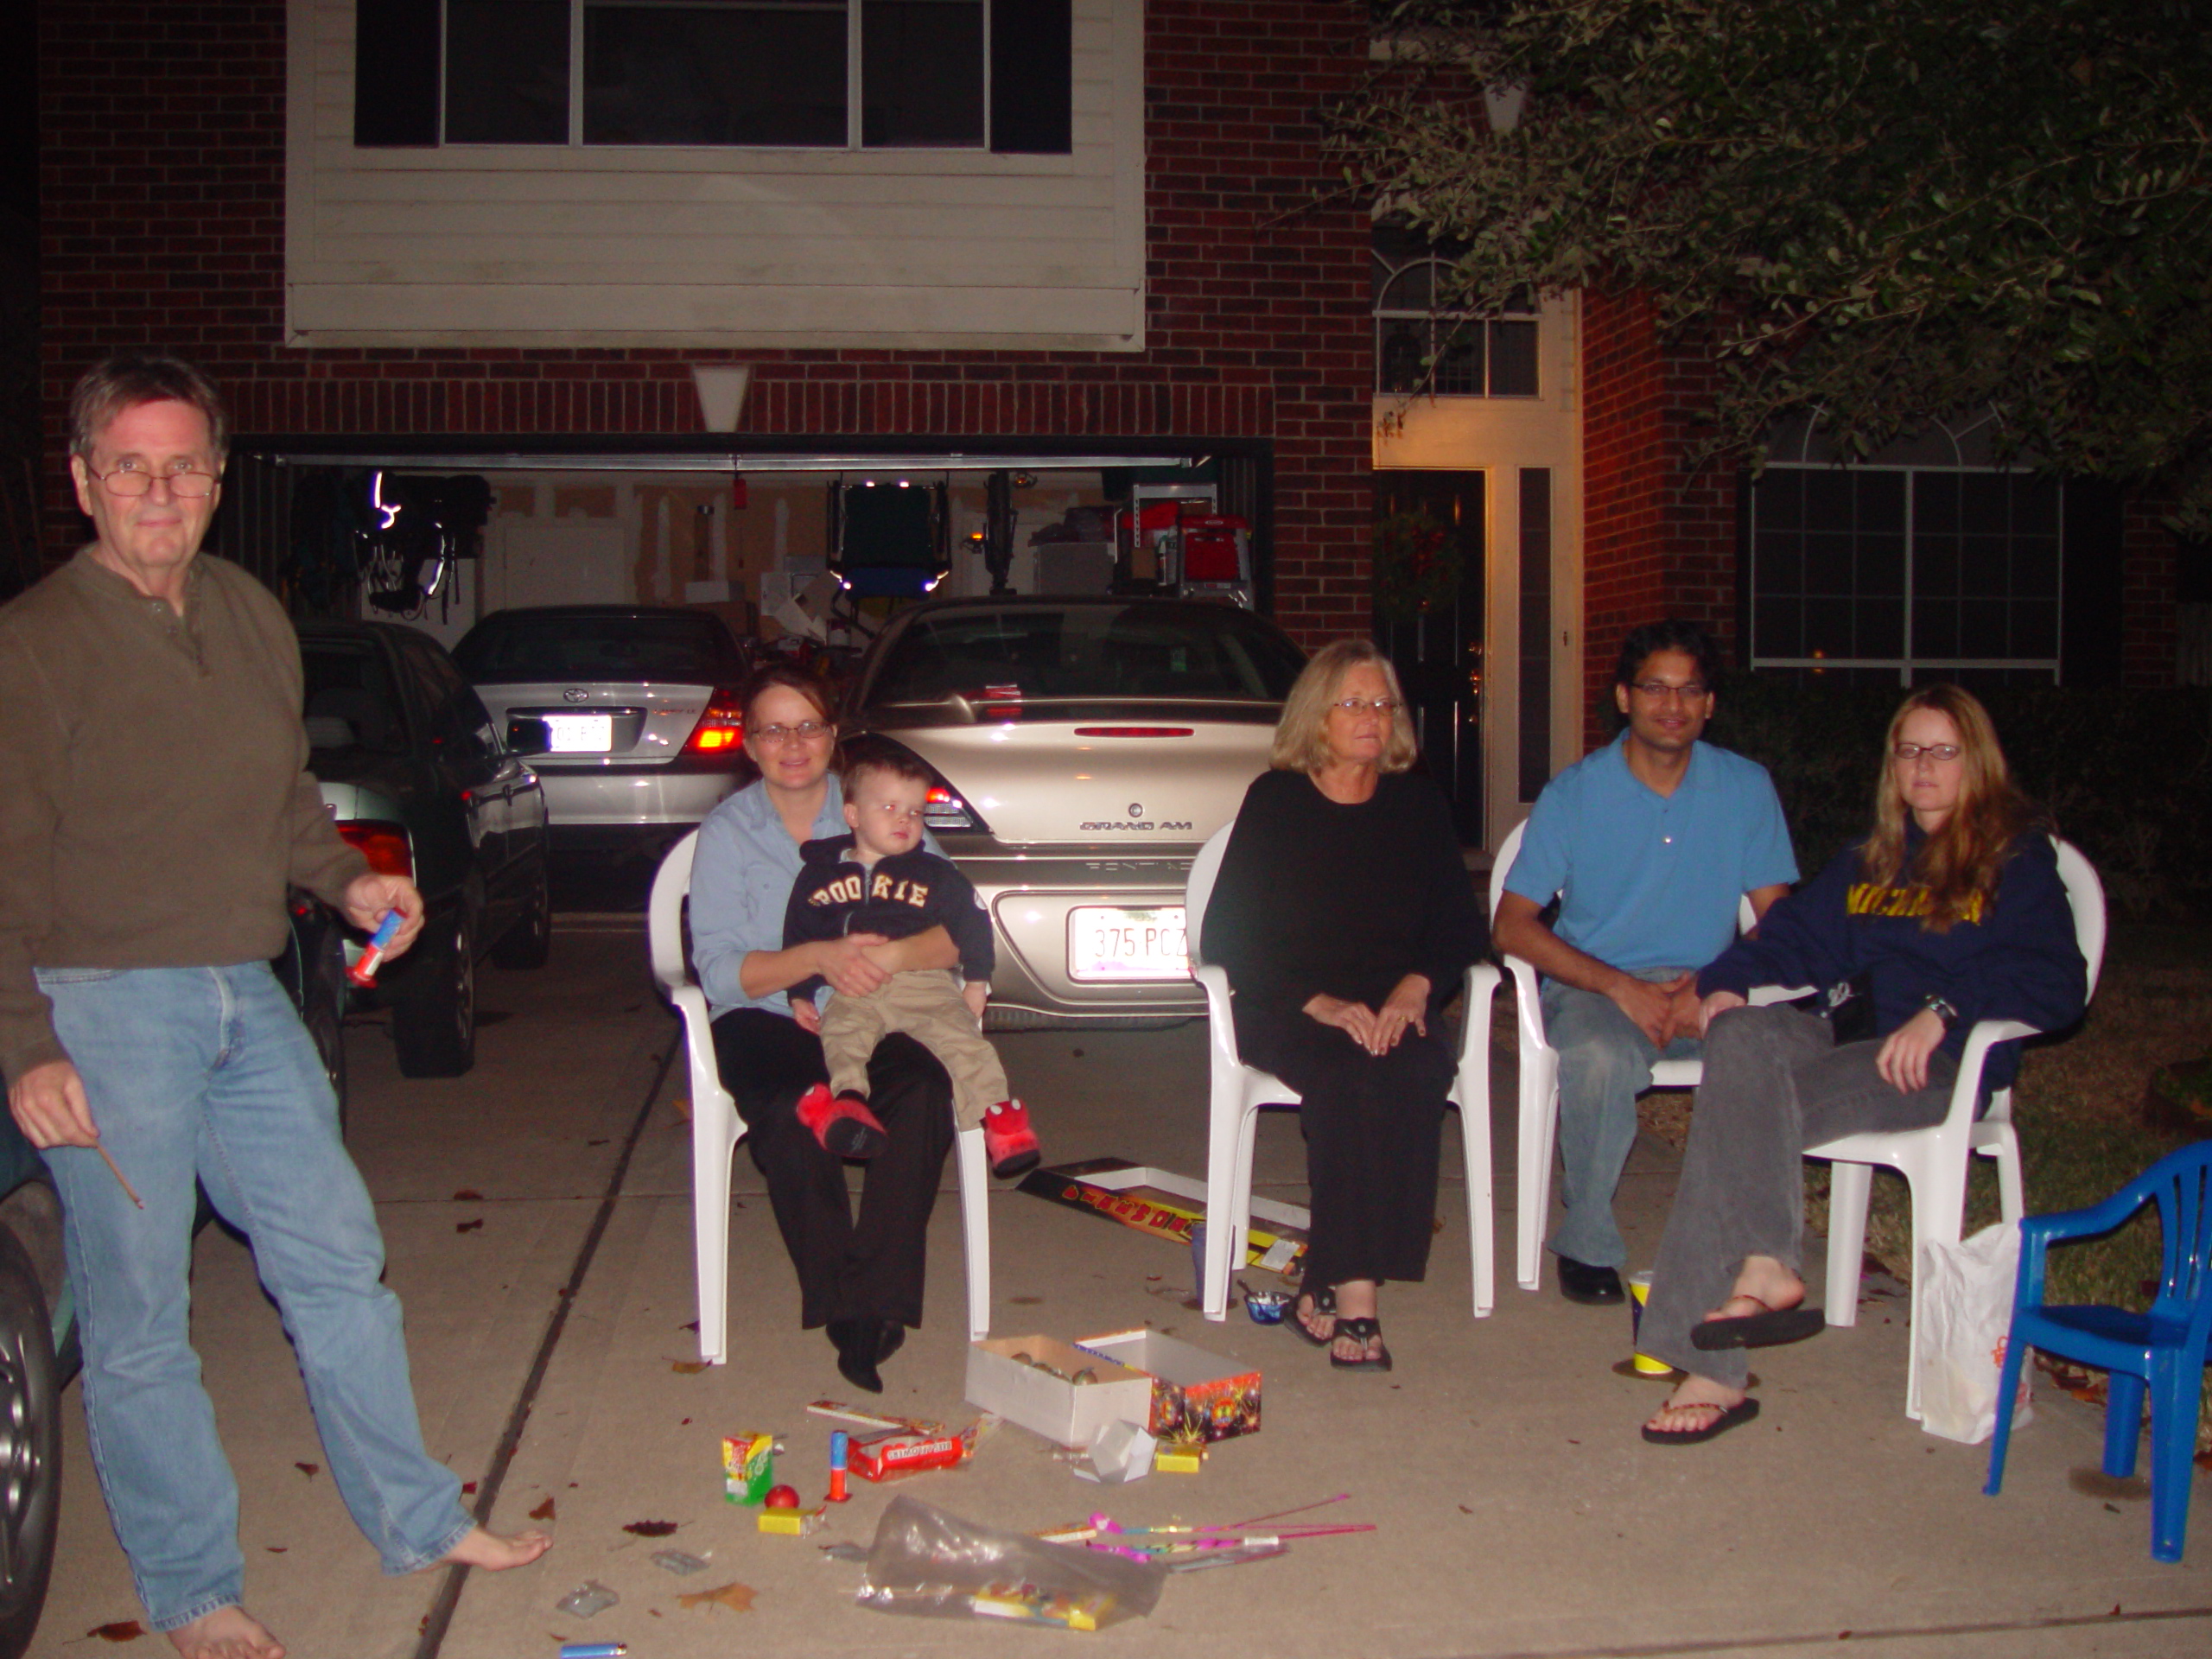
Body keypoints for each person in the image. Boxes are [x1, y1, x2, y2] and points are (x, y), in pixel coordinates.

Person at [0, 355, 549, 1659]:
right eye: (128, 465)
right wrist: (23, 1044)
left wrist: (354, 890)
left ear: (217, 479)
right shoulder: (31, 645)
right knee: (139, 1321)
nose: (158, 490)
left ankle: (416, 1516)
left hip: (245, 996)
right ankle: (193, 1592)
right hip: (105, 1006)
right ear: (82, 481)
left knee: (338, 1268)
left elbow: (286, 805)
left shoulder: (246, 613)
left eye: (183, 466)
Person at [1637, 684, 2088, 1445]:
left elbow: (2057, 982)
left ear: (1976, 762)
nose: (1924, 768)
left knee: (1736, 1117)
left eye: (1943, 751)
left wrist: (1945, 1010)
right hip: (1849, 1040)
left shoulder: (2016, 859)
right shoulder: (1873, 860)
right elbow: (1791, 937)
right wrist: (1723, 982)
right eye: (1910, 750)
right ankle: (1764, 1267)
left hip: (1939, 1065)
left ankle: (1712, 1366)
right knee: (1742, 1040)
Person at [1495, 620, 1798, 1305]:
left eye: (1690, 690)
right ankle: (1588, 1242)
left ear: (1710, 704)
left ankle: (1752, 1253)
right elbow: (1512, 927)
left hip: (1710, 986)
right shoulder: (1575, 793)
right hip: (1600, 986)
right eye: (1655, 688)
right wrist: (1618, 986)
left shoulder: (1745, 788)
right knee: (1599, 1055)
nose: (1673, 704)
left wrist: (1715, 983)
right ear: (1625, 698)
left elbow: (1781, 920)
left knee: (1773, 1050)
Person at [1200, 639, 1482, 1370]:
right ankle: (1358, 1298)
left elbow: (1460, 925)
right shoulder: (1277, 802)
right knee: (1349, 1078)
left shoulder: (1417, 806)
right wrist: (1316, 1002)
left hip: (1393, 1003)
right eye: (1354, 703)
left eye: (1382, 704)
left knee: (1414, 1073)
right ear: (1316, 717)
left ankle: (1319, 1278)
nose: (1372, 717)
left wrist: (1419, 985)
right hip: (1291, 1005)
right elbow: (1227, 932)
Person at [688, 664, 962, 1395]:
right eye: (774, 729)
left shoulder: (885, 811)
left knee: (924, 1090)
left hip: (876, 1008)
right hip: (766, 1014)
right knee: (789, 1106)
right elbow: (716, 969)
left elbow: (955, 934)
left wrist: (891, 958)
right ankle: (848, 1305)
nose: (794, 743)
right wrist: (813, 959)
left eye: (808, 725)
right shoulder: (728, 832)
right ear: (749, 745)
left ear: (834, 736)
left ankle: (874, 1298)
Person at [781, 750, 1041, 1179]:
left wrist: (978, 981)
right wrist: (800, 993)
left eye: (916, 811)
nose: (905, 819)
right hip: (854, 987)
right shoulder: (819, 874)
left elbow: (972, 923)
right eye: (889, 808)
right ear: (853, 814)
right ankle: (849, 1105)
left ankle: (1002, 1124)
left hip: (924, 984)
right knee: (842, 1036)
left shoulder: (934, 874)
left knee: (962, 1042)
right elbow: (801, 933)